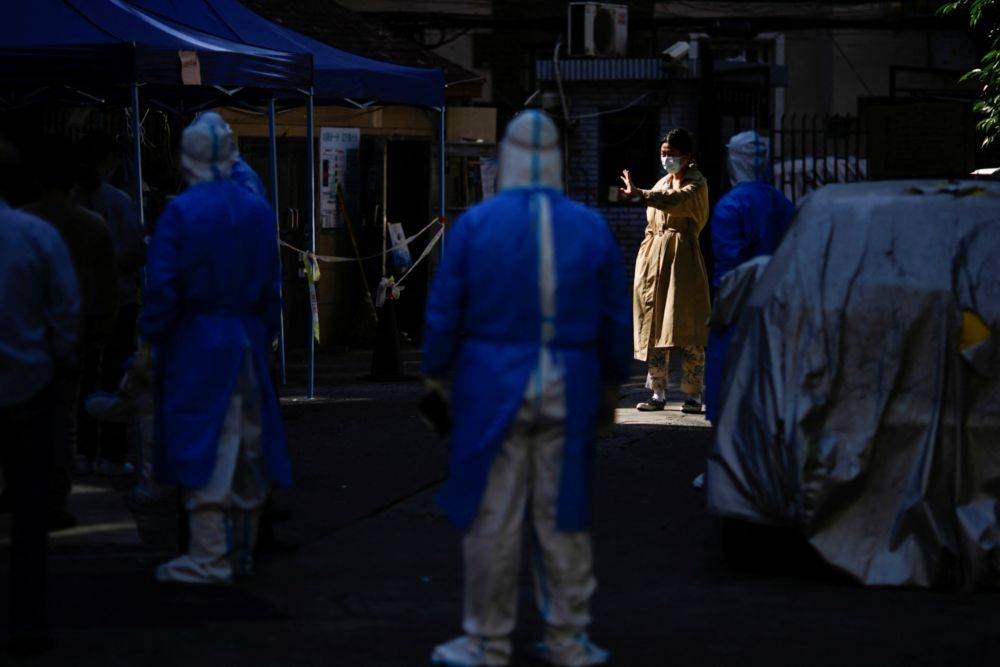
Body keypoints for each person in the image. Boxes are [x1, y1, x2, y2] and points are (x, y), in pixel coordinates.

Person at [424, 110, 631, 667]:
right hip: (572, 384)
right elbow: (616, 323)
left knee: (493, 517)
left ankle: (487, 641)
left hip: (493, 387)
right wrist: (612, 388)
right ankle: (568, 638)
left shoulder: (476, 225)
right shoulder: (588, 227)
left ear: (507, 156)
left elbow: (444, 314)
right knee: (563, 515)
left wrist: (436, 376)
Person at [140, 113, 290, 585]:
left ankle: (209, 555)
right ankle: (242, 550)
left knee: (204, 446)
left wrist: (149, 343)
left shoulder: (181, 212)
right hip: (247, 338)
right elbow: (271, 287)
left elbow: (162, 289)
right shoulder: (256, 209)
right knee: (248, 446)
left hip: (198, 344)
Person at [0, 136, 81, 655]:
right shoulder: (36, 236)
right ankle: (28, 619)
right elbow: (65, 314)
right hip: (29, 388)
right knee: (30, 516)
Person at [24, 140, 118, 529]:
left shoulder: (26, 222)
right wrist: (101, 329)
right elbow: (108, 288)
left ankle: (22, 487)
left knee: (24, 416)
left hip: (27, 331)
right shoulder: (91, 225)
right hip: (75, 329)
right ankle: (55, 495)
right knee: (63, 417)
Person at [704, 130, 793, 423]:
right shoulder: (781, 202)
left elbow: (728, 272)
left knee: (732, 398)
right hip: (777, 305)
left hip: (739, 311)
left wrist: (720, 311)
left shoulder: (731, 206)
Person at [619, 128, 710, 414]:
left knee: (689, 325)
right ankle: (657, 392)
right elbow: (652, 222)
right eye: (663, 153)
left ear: (687, 157)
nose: (666, 158)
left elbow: (677, 201)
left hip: (682, 259)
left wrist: (640, 193)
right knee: (654, 323)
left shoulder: (697, 184)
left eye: (671, 154)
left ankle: (693, 395)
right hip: (653, 260)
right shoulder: (661, 183)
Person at [75, 133, 146, 476]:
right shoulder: (119, 202)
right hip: (117, 302)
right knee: (117, 378)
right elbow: (136, 251)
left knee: (85, 379)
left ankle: (86, 451)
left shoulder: (72, 203)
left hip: (82, 306)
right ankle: (112, 456)